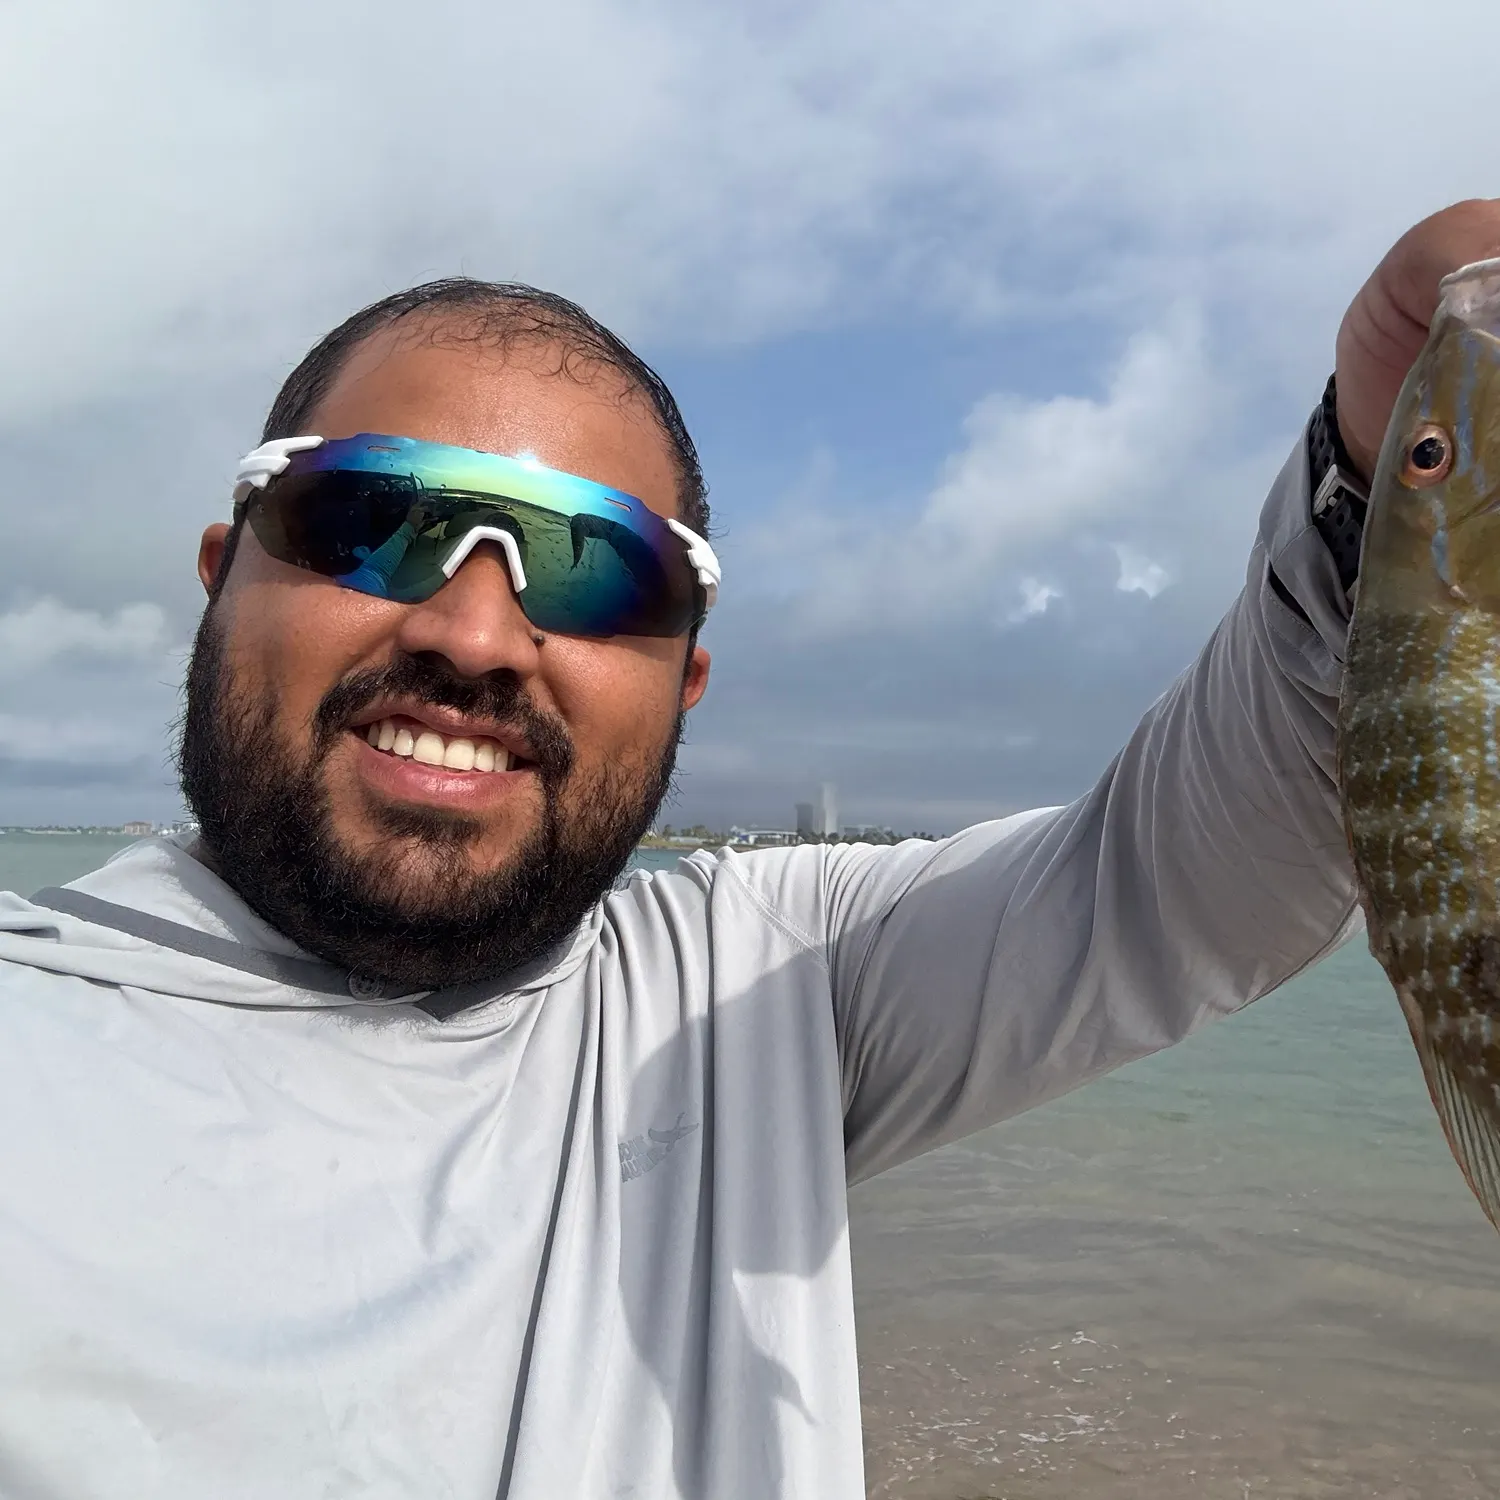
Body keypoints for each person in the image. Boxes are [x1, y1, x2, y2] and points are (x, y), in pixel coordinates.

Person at [0, 199, 1495, 1499]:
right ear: (222, 573)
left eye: (597, 569)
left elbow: (1182, 875)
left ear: (684, 681)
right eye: (373, 519)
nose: (472, 632)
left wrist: (1375, 457)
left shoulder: (754, 991)